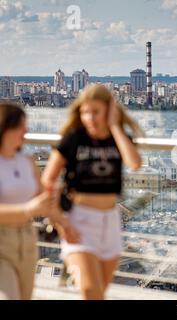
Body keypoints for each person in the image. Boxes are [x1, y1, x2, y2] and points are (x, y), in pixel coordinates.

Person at [42, 84, 143, 300]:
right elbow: (47, 182)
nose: (90, 118)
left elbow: (134, 163)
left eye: (95, 112)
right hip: (79, 221)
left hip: (110, 222)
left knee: (99, 293)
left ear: (109, 110)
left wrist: (115, 126)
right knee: (90, 291)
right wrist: (61, 222)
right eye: (85, 112)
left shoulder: (118, 139)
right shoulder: (73, 139)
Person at [0, 103, 74, 300]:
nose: (26, 131)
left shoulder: (27, 161)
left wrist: (65, 226)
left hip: (26, 239)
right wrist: (27, 209)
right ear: (5, 129)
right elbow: (32, 207)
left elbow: (44, 201)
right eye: (21, 127)